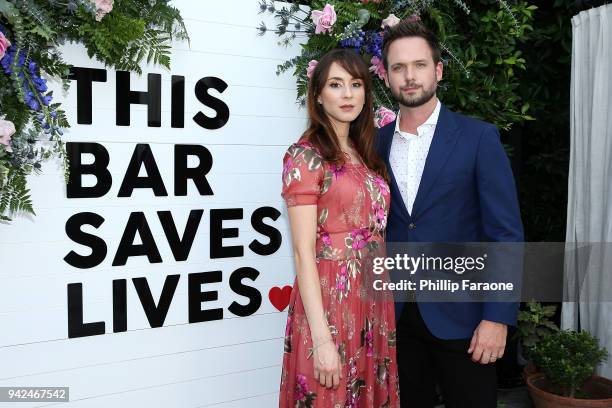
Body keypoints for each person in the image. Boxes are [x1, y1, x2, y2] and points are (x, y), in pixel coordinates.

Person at [376, 20, 524, 408]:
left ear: (438, 70)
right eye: (398, 67)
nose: (410, 76)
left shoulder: (478, 138)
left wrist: (498, 318)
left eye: (420, 65)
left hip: (466, 319)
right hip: (396, 316)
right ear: (386, 76)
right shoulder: (373, 144)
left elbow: (505, 235)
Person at [278, 49, 400, 408]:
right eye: (336, 84)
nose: (347, 94)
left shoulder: (366, 154)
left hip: (373, 301)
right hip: (330, 303)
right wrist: (321, 338)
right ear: (317, 94)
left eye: (356, 84)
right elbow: (303, 252)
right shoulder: (304, 156)